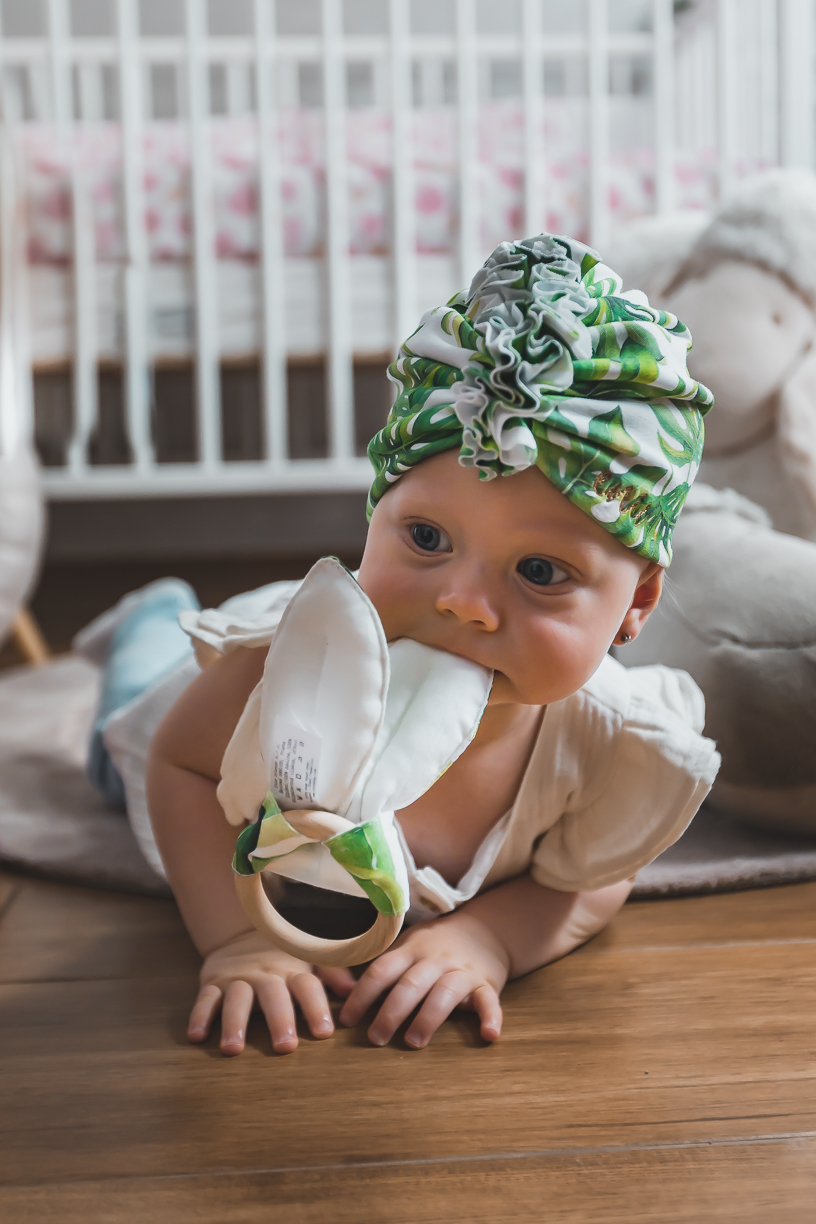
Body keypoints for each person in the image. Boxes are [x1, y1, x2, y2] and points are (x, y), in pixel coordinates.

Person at [79, 234, 720, 1057]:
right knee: (115, 734)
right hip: (180, 768)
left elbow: (589, 884)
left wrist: (491, 937)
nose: (464, 602)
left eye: (539, 571)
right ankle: (149, 615)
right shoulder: (286, 669)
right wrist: (237, 940)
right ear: (375, 513)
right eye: (425, 536)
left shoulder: (606, 741)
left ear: (634, 606)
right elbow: (179, 765)